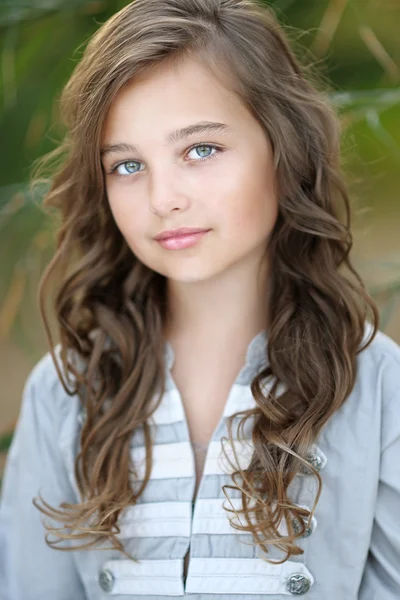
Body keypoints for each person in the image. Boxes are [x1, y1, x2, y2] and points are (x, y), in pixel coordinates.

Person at [1, 0, 400, 598]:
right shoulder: (65, 395)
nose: (163, 198)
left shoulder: (377, 388)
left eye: (201, 150)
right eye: (128, 164)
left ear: (283, 149)